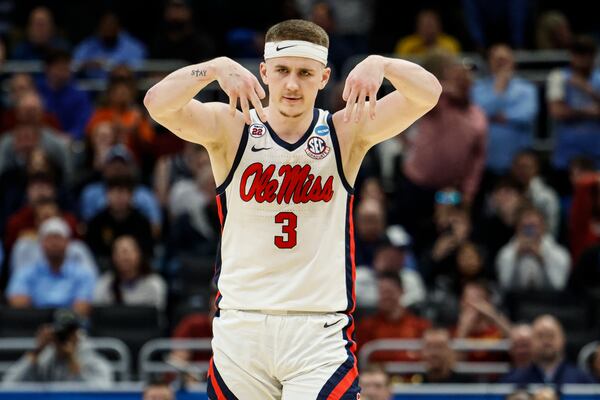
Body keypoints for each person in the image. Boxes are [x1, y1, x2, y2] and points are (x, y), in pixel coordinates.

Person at [144, 18, 441, 399]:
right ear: (264, 72)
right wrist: (215, 67)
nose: (291, 84)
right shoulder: (231, 128)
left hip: (317, 331)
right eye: (282, 71)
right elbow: (156, 102)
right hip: (241, 328)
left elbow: (428, 93)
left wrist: (383, 65)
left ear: (324, 77)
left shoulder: (345, 130)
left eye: (305, 73)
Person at [6, 217, 97, 316]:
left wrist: (57, 328)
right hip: (34, 327)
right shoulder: (25, 273)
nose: (54, 243)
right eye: (49, 239)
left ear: (68, 243)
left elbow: (82, 308)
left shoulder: (83, 274)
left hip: (72, 327)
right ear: (41, 244)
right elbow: (18, 303)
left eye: (58, 238)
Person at [471, 44, 538, 175]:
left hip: (518, 163)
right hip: (485, 161)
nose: (501, 64)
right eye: (497, 60)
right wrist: (498, 89)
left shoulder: (527, 88)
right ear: (489, 62)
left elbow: (527, 115)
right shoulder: (477, 89)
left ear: (513, 62)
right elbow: (478, 113)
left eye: (504, 60)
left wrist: (503, 117)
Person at [2, 309, 112, 386]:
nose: (66, 337)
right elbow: (9, 386)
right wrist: (37, 351)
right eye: (62, 333)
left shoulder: (94, 361)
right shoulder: (44, 360)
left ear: (78, 334)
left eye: (70, 332)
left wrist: (72, 361)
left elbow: (100, 395)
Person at [501, 315, 593, 385]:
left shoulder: (582, 381)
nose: (546, 341)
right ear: (531, 341)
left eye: (551, 335)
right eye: (540, 336)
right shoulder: (512, 381)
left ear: (563, 339)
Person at [394, 9, 461, 57]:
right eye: (425, 26)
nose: (429, 30)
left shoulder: (450, 44)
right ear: (417, 27)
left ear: (439, 27)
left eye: (431, 26)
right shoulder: (406, 44)